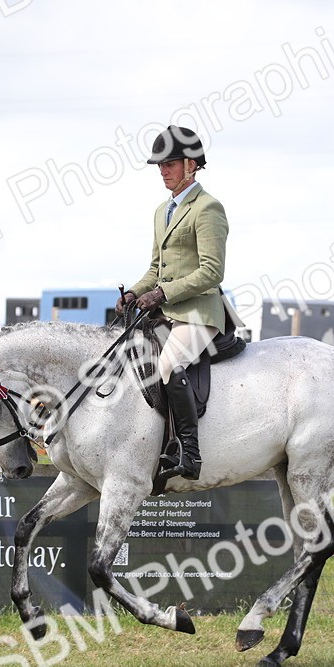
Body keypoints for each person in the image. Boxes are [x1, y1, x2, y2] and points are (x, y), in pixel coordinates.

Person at [117, 125, 229, 481]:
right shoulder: (161, 211)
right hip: (167, 311)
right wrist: (135, 292)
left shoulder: (208, 208)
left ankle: (189, 454)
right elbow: (156, 268)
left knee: (167, 365)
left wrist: (163, 293)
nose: (162, 171)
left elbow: (212, 271)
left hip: (200, 311)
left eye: (169, 164)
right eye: (159, 165)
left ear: (191, 165)